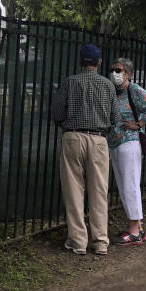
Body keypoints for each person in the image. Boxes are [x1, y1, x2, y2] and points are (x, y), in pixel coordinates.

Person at [51, 44, 119, 256]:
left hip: (73, 137)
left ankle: (78, 241)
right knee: (99, 191)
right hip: (99, 139)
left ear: (80, 61)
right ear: (99, 62)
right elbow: (115, 118)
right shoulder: (108, 86)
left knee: (73, 191)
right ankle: (100, 241)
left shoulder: (69, 83)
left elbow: (57, 114)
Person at [107, 58, 146, 246]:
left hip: (129, 142)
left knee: (130, 185)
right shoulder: (113, 91)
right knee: (124, 185)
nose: (114, 72)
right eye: (113, 69)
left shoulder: (134, 89)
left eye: (118, 70)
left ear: (127, 74)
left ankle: (134, 230)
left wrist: (139, 124)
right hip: (115, 142)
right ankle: (136, 226)